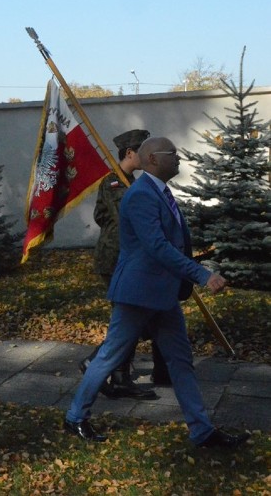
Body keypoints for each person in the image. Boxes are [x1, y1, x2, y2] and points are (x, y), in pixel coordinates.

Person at [64, 137, 250, 449]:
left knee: (180, 360)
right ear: (152, 158)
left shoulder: (159, 190)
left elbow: (174, 243)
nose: (178, 158)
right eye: (172, 153)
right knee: (110, 356)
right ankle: (74, 417)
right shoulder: (139, 195)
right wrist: (201, 275)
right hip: (138, 292)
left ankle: (202, 431)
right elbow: (158, 247)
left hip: (161, 292)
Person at [80, 129, 168, 400]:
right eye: (142, 152)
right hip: (116, 260)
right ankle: (97, 363)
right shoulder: (115, 183)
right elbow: (127, 220)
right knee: (132, 319)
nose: (147, 157)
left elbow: (100, 216)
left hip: (124, 258)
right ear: (130, 154)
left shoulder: (129, 181)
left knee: (133, 317)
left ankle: (119, 378)